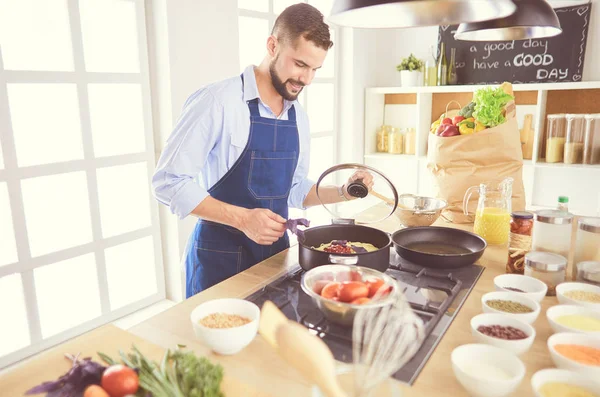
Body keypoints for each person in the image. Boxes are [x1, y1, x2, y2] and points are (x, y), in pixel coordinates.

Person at [152, 3, 372, 298]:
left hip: (273, 260)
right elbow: (168, 182)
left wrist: (344, 191)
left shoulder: (297, 115)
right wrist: (243, 219)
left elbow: (292, 190)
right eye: (300, 64)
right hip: (218, 261)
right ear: (272, 45)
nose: (306, 79)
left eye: (314, 69)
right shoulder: (217, 102)